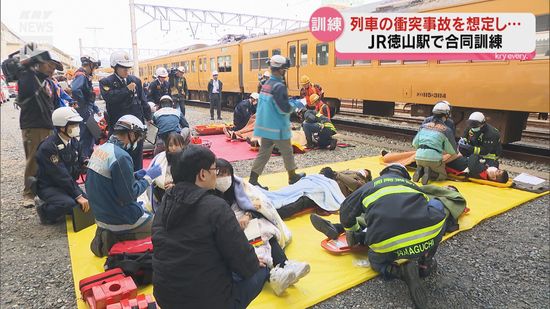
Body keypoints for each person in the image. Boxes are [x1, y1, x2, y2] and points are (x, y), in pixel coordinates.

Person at [312, 164, 448, 309]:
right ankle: (424, 262)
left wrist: (353, 231)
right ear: (404, 176)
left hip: (386, 242)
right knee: (436, 206)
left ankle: (399, 271)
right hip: (428, 236)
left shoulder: (370, 186)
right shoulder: (413, 187)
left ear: (383, 174)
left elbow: (346, 211)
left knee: (376, 259)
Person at [152, 145, 269, 308]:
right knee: (261, 270)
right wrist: (254, 262)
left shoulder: (164, 203)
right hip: (209, 302)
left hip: (166, 299)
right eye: (215, 169)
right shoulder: (215, 206)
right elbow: (243, 261)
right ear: (202, 174)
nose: (217, 174)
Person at [215, 158, 311, 296]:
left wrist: (248, 215)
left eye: (226, 173)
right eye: (219, 174)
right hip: (230, 226)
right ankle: (274, 275)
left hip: (245, 220)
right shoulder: (211, 195)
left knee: (265, 229)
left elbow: (254, 201)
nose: (223, 178)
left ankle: (284, 265)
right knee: (253, 241)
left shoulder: (238, 187)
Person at [86, 115, 162, 257]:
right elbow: (129, 196)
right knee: (159, 226)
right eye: (138, 137)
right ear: (131, 134)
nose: (137, 141)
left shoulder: (102, 149)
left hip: (100, 216)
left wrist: (134, 175)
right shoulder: (121, 157)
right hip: (117, 218)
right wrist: (148, 177)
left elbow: (109, 181)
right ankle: (120, 238)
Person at [250, 55, 305, 190]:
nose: (285, 72)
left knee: (264, 153)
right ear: (281, 70)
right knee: (287, 151)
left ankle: (253, 180)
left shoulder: (266, 84)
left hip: (265, 126)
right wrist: (296, 104)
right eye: (285, 70)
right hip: (277, 127)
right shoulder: (279, 86)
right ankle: (292, 177)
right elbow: (283, 108)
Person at [17, 49, 63, 206]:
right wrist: (29, 63)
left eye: (54, 67)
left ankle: (42, 189)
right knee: (34, 160)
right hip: (34, 125)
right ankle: (28, 193)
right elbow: (24, 55)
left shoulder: (46, 81)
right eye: (49, 65)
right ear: (38, 64)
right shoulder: (28, 77)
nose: (52, 69)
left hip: (46, 124)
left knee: (46, 158)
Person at [34, 107, 89, 224]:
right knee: (71, 203)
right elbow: (60, 175)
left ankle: (64, 203)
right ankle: (44, 211)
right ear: (62, 127)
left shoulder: (73, 141)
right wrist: (78, 195)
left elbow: (81, 156)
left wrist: (85, 162)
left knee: (87, 203)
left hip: (67, 183)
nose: (77, 128)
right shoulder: (48, 147)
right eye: (73, 125)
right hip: (49, 186)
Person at [100, 51, 152, 171]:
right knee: (118, 157)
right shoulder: (106, 82)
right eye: (123, 67)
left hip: (136, 126)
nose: (126, 70)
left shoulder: (135, 80)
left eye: (128, 67)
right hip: (119, 128)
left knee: (137, 156)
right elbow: (110, 98)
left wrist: (148, 117)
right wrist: (126, 90)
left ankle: (138, 179)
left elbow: (142, 100)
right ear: (115, 67)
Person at [412, 112, 457, 185]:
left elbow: (414, 144)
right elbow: (452, 151)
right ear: (445, 116)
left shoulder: (423, 126)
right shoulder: (446, 130)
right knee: (443, 175)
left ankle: (420, 170)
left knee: (424, 163)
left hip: (418, 157)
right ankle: (431, 173)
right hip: (434, 159)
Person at [71, 55, 101, 158]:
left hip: (86, 110)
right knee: (86, 135)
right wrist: (84, 105)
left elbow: (89, 96)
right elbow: (75, 90)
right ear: (90, 65)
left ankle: (88, 156)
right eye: (94, 68)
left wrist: (95, 109)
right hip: (84, 111)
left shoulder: (84, 76)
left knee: (91, 133)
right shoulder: (81, 76)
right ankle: (84, 159)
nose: (95, 70)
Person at [150, 133, 186, 208]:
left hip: (180, 192)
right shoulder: (161, 158)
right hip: (162, 190)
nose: (173, 148)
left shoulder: (187, 159)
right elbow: (153, 175)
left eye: (176, 145)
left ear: (182, 145)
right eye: (170, 145)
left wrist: (175, 186)